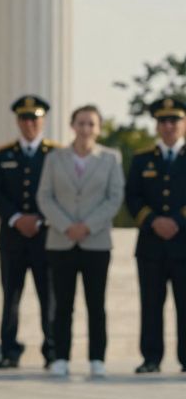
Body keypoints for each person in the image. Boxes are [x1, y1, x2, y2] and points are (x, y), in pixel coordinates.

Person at [36, 105, 124, 378]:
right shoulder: (54, 158)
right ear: (72, 125)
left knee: (96, 304)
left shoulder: (111, 158)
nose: (86, 129)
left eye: (91, 124)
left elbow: (114, 197)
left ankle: (97, 357)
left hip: (96, 242)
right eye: (81, 123)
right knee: (62, 304)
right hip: (61, 241)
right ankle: (60, 356)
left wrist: (87, 226)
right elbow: (45, 196)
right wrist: (66, 226)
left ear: (98, 128)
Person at [0, 95, 59, 369]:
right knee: (11, 298)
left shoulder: (55, 154)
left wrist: (39, 219)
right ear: (18, 121)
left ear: (43, 120)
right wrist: (16, 218)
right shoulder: (3, 154)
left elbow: (58, 193)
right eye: (24, 118)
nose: (30, 123)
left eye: (35, 118)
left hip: (45, 236)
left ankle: (51, 351)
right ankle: (9, 351)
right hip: (12, 238)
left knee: (48, 297)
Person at [125, 96, 186, 373]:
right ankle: (151, 357)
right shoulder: (142, 159)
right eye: (163, 121)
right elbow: (133, 197)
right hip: (151, 245)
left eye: (174, 120)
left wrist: (176, 221)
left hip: (183, 242)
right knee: (150, 304)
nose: (169, 125)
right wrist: (152, 221)